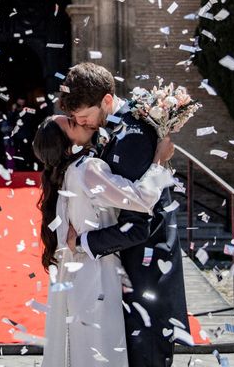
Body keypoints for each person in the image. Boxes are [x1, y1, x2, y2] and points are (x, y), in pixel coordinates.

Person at [59, 62, 189, 367]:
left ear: (106, 100)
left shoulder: (132, 135)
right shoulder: (118, 127)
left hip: (146, 275)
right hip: (133, 274)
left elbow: (139, 224)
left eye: (85, 116)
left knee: (146, 358)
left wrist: (84, 242)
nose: (83, 124)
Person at [33, 115, 176, 367]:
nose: (80, 120)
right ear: (68, 146)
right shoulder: (88, 169)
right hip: (97, 278)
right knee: (103, 354)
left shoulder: (67, 172)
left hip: (80, 278)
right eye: (72, 123)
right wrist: (158, 161)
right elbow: (140, 199)